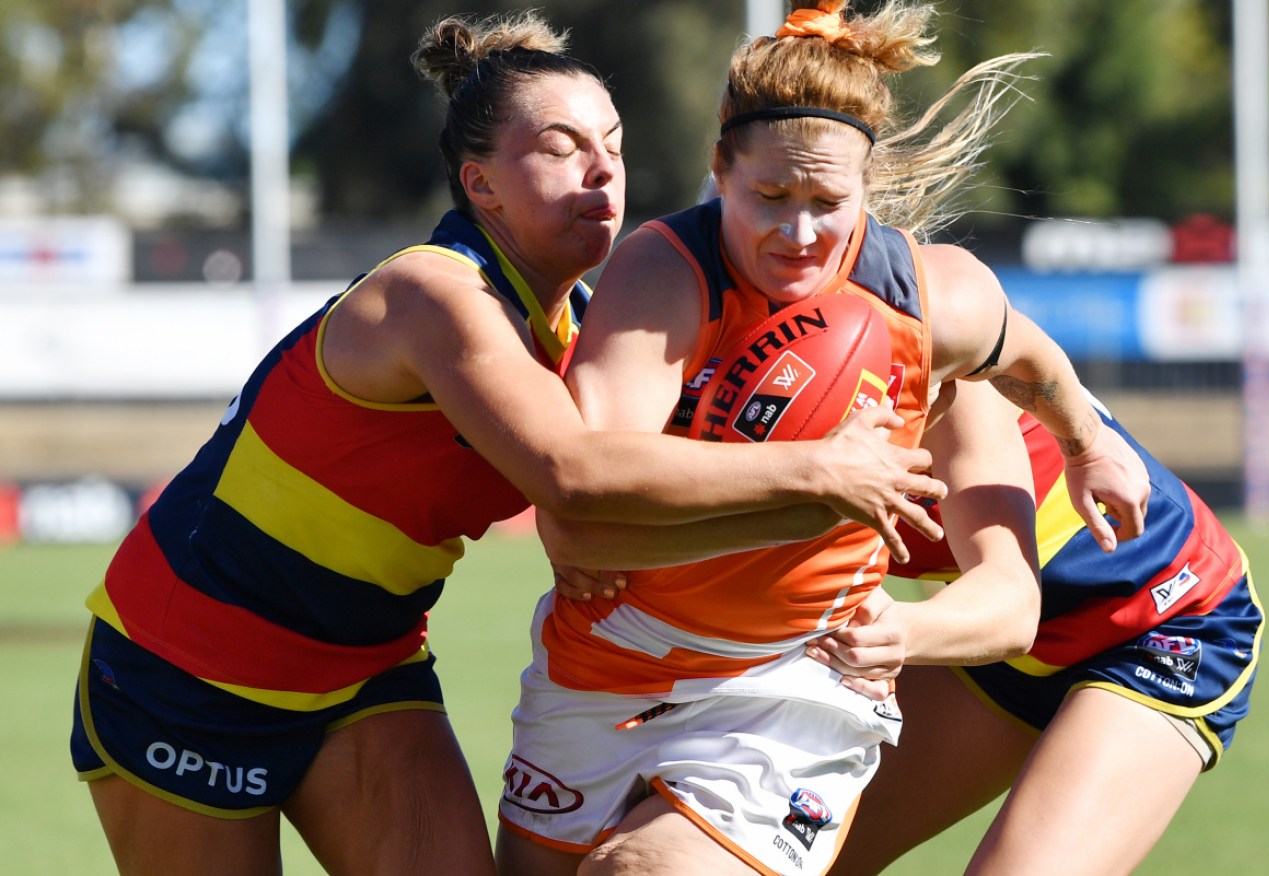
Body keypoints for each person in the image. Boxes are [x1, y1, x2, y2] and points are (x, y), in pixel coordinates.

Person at [68, 11, 951, 876]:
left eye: (611, 144)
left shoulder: (571, 332)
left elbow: (609, 485)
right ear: (480, 184)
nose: (602, 170)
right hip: (183, 663)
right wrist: (818, 468)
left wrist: (1071, 420)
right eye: (562, 149)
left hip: (364, 666)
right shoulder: (432, 294)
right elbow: (571, 471)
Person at [495, 2, 1150, 874]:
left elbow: (1026, 357)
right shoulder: (662, 273)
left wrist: (1086, 443)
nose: (798, 235)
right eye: (769, 197)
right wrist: (815, 484)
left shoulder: (930, 303)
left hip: (792, 678)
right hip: (609, 654)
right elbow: (575, 515)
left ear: (867, 187)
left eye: (827, 203)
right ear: (719, 167)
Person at [812, 384, 1263, 876]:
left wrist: (897, 634)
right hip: (988, 629)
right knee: (790, 859)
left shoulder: (940, 339)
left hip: (1162, 618)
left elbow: (1009, 606)